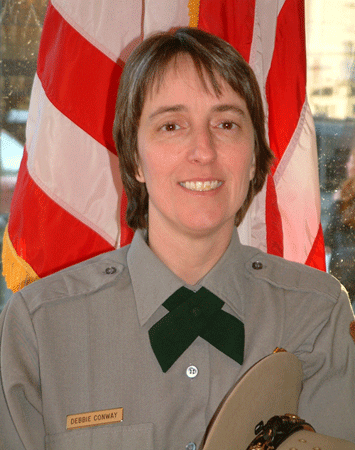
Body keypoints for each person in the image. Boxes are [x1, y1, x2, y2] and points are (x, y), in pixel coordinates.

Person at [0, 27, 354, 450]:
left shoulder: (318, 315)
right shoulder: (40, 328)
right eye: (171, 125)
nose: (203, 149)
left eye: (226, 123)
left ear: (254, 155)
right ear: (135, 159)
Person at [324, 146, 355, 309]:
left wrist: (338, 202)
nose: (347, 165)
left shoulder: (344, 194)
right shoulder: (345, 190)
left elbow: (334, 227)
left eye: (351, 161)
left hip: (344, 264)